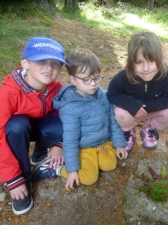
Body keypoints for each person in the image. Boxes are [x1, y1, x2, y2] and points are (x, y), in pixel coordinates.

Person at [32, 49, 128, 191]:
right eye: (86, 79)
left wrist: (119, 144)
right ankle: (58, 169)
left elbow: (112, 121)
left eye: (96, 78)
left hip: (103, 141)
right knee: (89, 178)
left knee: (110, 164)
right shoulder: (70, 107)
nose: (93, 84)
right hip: (83, 147)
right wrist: (71, 170)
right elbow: (70, 139)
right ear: (73, 80)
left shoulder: (103, 95)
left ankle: (98, 152)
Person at [0, 37, 68, 215]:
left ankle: (39, 153)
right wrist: (12, 177)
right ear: (25, 63)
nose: (49, 68)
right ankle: (23, 176)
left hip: (42, 128)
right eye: (41, 61)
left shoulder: (58, 89)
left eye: (55, 64)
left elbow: (69, 114)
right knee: (17, 126)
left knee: (60, 122)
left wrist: (59, 144)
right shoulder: (9, 92)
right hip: (19, 131)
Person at [107, 31, 168, 152]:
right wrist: (132, 105)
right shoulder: (122, 77)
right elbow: (112, 95)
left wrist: (146, 108)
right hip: (130, 113)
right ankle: (128, 130)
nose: (146, 68)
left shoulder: (166, 74)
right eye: (139, 62)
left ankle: (150, 128)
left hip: (152, 111)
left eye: (151, 61)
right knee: (119, 113)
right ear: (131, 62)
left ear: (161, 59)